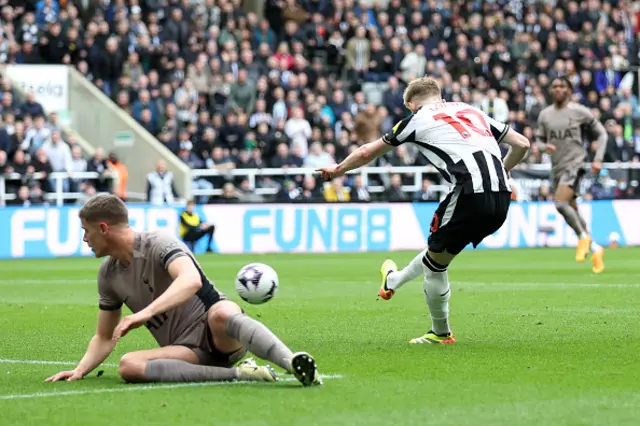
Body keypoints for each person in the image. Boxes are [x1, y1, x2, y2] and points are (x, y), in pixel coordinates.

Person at [317, 77, 530, 344]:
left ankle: (440, 333)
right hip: (502, 198)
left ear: (410, 105)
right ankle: (393, 281)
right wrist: (504, 169)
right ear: (440, 97)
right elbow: (522, 143)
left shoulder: (416, 120)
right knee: (437, 254)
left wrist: (338, 170)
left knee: (435, 265)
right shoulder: (470, 110)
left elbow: (365, 152)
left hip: (469, 192)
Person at [45, 194, 321, 386]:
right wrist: (80, 370)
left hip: (218, 333)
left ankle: (291, 361)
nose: (84, 239)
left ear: (103, 228)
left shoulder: (158, 242)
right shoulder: (108, 275)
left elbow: (191, 281)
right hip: (186, 352)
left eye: (86, 231)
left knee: (222, 311)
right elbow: (104, 336)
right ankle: (243, 375)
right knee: (129, 365)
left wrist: (145, 314)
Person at [535, 77, 607, 273]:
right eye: (555, 86)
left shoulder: (579, 111)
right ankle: (595, 248)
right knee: (571, 207)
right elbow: (539, 140)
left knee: (560, 203)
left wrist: (598, 158)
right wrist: (543, 147)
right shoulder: (545, 115)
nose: (558, 89)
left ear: (569, 90)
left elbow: (602, 133)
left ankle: (583, 238)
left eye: (562, 86)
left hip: (575, 165)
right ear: (551, 90)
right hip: (556, 167)